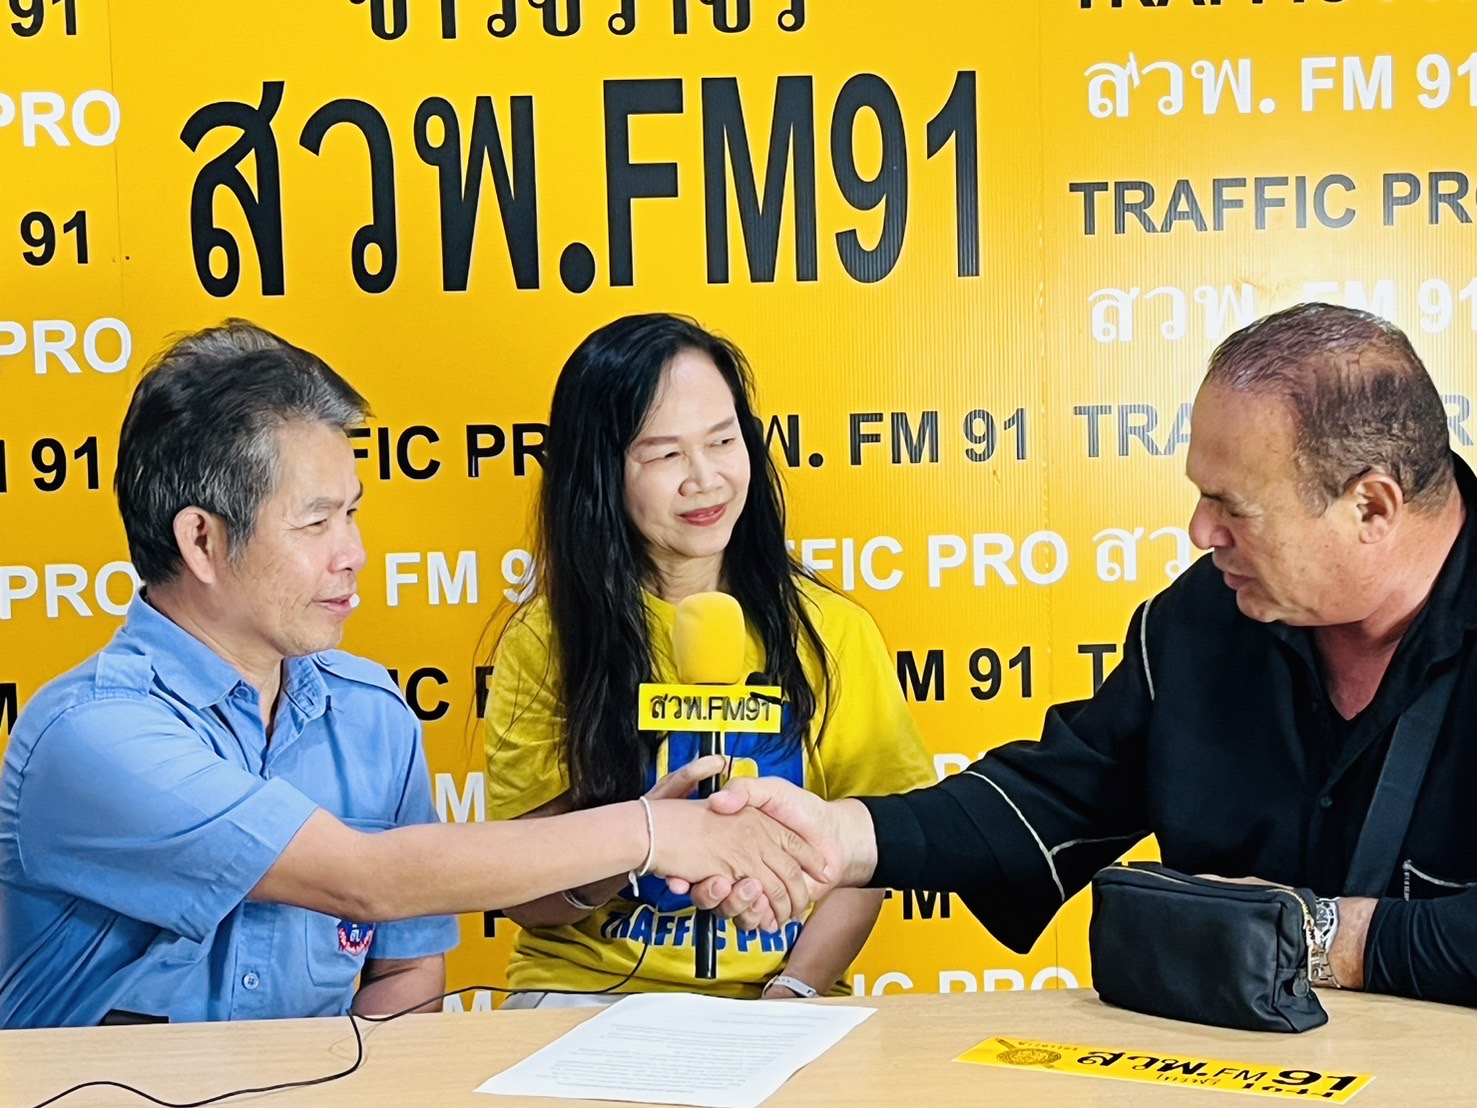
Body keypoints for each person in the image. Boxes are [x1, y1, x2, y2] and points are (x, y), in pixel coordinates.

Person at [0, 321, 831, 1030]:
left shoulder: (369, 714)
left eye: (353, 513)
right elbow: (365, 879)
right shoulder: (91, 736)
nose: (354, 554)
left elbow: (404, 972)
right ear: (202, 541)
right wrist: (654, 831)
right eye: (317, 523)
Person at [694, 302, 1477, 1007]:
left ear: (1370, 507)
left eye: (1232, 506)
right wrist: (840, 836)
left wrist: (1321, 938)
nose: (1199, 532)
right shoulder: (1199, 618)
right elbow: (1052, 798)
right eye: (1200, 494)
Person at [484, 313, 935, 1005]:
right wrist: (642, 837)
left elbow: (875, 848)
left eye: (723, 441)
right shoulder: (545, 642)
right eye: (665, 455)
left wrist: (793, 991)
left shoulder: (832, 631)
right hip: (584, 992)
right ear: (600, 471)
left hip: (783, 994)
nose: (705, 479)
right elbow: (524, 896)